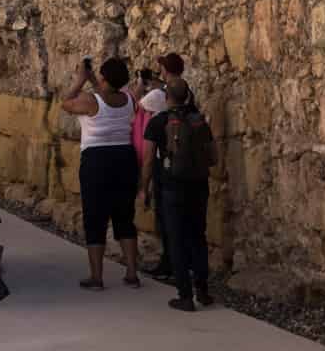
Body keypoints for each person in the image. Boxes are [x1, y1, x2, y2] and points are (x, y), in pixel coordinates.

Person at [60, 55, 141, 289]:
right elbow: (107, 93)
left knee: (95, 217)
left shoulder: (89, 100)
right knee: (125, 216)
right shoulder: (129, 99)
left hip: (97, 160)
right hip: (125, 158)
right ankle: (132, 274)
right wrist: (95, 78)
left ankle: (96, 277)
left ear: (104, 78)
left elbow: (66, 103)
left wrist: (80, 79)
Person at [141, 77, 217, 311]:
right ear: (188, 95)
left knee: (176, 240)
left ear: (166, 98)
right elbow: (213, 156)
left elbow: (147, 160)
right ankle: (203, 290)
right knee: (198, 236)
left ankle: (185, 295)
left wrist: (145, 188)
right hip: (199, 185)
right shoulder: (199, 121)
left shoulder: (159, 122)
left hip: (171, 188)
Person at [132, 53, 185, 278]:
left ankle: (170, 265)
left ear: (164, 69)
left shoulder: (155, 96)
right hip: (184, 161)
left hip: (163, 162)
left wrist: (139, 85)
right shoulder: (186, 90)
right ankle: (187, 264)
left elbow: (134, 106)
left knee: (165, 218)